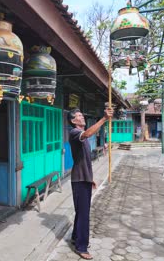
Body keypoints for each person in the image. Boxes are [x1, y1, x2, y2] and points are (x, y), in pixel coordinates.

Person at [67, 107, 113, 260]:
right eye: (79, 116)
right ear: (74, 121)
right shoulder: (75, 133)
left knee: (81, 211)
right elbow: (87, 133)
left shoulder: (83, 137)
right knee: (84, 214)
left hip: (83, 178)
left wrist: (90, 177)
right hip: (79, 180)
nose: (82, 117)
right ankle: (81, 247)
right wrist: (104, 119)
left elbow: (85, 160)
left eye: (81, 114)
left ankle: (75, 238)